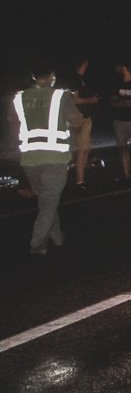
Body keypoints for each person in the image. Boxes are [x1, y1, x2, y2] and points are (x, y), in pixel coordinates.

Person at [10, 62, 83, 255]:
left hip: (29, 159)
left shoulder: (19, 98)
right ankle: (37, 244)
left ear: (34, 77)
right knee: (50, 203)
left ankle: (58, 238)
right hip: (55, 158)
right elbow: (77, 121)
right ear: (52, 76)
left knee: (47, 201)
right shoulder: (61, 96)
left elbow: (14, 126)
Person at [57, 56, 99, 189]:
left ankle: (75, 175)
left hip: (74, 118)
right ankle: (80, 180)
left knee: (82, 149)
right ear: (84, 64)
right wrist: (91, 100)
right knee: (82, 149)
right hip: (80, 118)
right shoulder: (75, 79)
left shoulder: (73, 79)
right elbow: (75, 100)